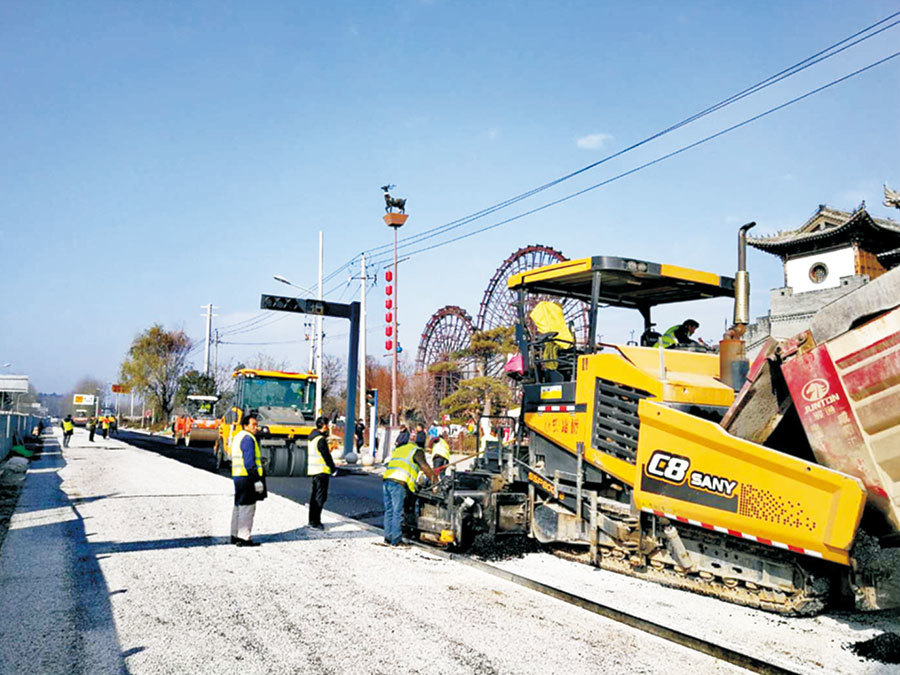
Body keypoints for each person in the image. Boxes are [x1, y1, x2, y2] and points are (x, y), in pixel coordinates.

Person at [381, 439, 438, 547]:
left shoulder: (400, 449)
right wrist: (435, 482)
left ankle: (388, 538)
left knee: (389, 511)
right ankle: (396, 540)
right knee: (398, 512)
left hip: (387, 479)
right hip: (399, 482)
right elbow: (425, 466)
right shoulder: (417, 451)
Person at [231, 410, 267, 547]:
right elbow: (249, 462)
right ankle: (244, 538)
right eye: (253, 425)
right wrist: (256, 480)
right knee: (248, 507)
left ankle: (235, 535)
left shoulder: (239, 436)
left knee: (238, 506)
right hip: (247, 477)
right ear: (245, 426)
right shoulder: (248, 439)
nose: (256, 427)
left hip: (239, 476)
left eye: (256, 425)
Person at [307, 415, 337, 530]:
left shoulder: (312, 437)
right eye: (327, 425)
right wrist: (333, 469)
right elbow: (326, 456)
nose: (328, 427)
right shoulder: (320, 439)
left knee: (314, 496)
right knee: (320, 497)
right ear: (324, 426)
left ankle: (312, 519)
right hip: (322, 471)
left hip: (314, 471)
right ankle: (316, 521)